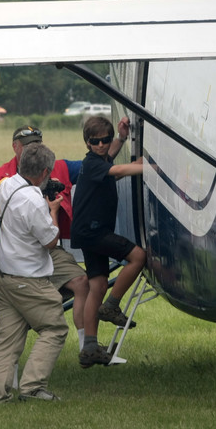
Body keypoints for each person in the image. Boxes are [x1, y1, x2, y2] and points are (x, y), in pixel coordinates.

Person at [0, 125, 101, 350]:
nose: (32, 148)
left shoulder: (58, 167)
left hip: (49, 247)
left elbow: (97, 164)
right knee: (17, 315)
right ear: (15, 147)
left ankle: (86, 347)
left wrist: (120, 139)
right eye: (27, 145)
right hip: (14, 253)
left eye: (37, 144)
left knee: (82, 283)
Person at [0, 142, 67, 403]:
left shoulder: (8, 184)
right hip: (28, 279)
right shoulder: (33, 201)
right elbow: (50, 241)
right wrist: (53, 211)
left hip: (1, 275)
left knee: (7, 338)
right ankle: (32, 387)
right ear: (44, 172)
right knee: (55, 327)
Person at [71, 116, 145, 368]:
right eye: (96, 142)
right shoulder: (92, 164)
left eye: (105, 140)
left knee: (98, 285)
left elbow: (110, 156)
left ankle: (89, 347)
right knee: (138, 257)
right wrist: (152, 167)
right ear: (87, 142)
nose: (102, 145)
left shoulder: (99, 158)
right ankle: (111, 306)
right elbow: (119, 170)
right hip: (93, 232)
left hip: (87, 232)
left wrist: (121, 138)